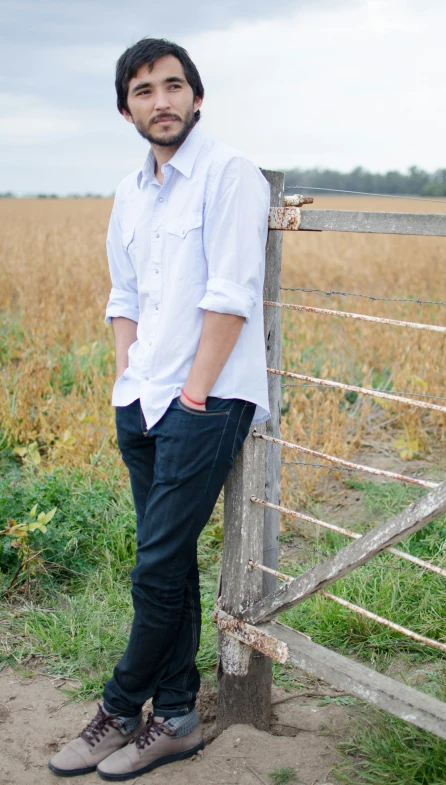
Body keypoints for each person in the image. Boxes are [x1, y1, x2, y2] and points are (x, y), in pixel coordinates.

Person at [48, 37, 270, 780]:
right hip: (140, 399)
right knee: (167, 567)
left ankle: (118, 706)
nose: (162, 101)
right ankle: (174, 716)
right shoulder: (130, 192)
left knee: (153, 569)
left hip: (205, 402)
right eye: (144, 91)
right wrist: (125, 380)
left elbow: (232, 293)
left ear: (196, 97)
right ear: (125, 109)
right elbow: (126, 297)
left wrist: (195, 393)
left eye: (174, 86)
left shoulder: (229, 173)